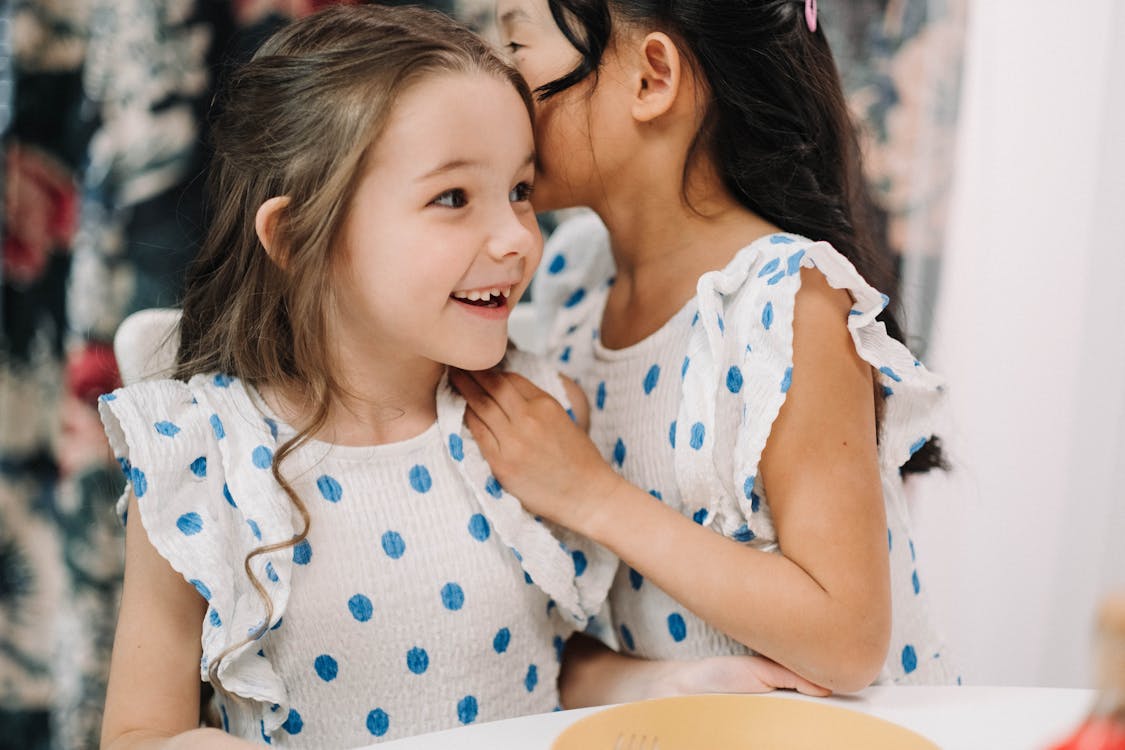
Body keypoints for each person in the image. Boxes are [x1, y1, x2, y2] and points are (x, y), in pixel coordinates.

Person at [95, 6, 625, 747]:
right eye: (452, 198)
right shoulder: (202, 459)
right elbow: (140, 735)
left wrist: (678, 681)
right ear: (296, 237)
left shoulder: (534, 419)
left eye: (519, 190)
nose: (514, 238)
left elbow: (547, 667)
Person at [452, 0, 957, 705]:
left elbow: (847, 640)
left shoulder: (783, 302)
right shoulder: (576, 284)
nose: (496, 81)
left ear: (650, 78)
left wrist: (588, 494)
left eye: (515, 44)